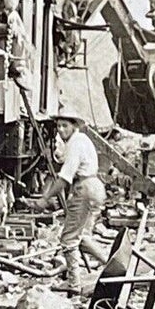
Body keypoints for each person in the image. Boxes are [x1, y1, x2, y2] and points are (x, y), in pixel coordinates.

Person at [45, 107, 108, 290]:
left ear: (74, 126)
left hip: (85, 188)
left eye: (65, 126)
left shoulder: (75, 143)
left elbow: (65, 177)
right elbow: (64, 161)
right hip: (95, 187)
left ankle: (74, 284)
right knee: (82, 236)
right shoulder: (80, 140)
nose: (61, 130)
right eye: (58, 127)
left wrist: (45, 198)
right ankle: (112, 264)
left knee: (68, 239)